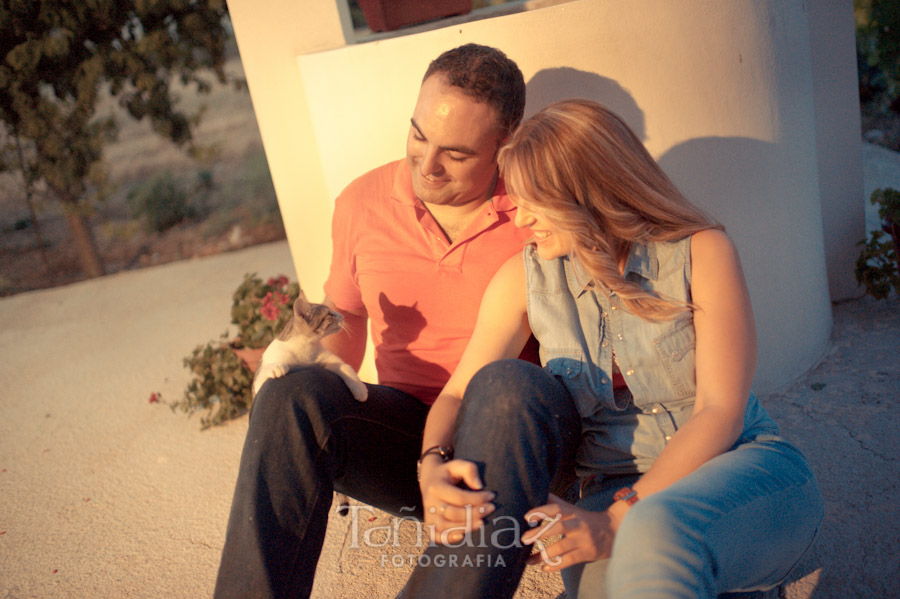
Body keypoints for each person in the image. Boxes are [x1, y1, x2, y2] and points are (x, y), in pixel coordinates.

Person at [402, 99, 824, 599]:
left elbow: (721, 411)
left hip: (735, 469)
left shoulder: (702, 252)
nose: (521, 220)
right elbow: (457, 394)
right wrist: (430, 463)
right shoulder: (523, 278)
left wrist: (620, 520)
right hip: (606, 493)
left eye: (534, 202)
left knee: (654, 530)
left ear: (584, 192)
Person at [213, 44, 533, 598]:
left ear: (504, 145)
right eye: (418, 135)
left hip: (506, 436)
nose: (426, 166)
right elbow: (345, 312)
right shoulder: (363, 201)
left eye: (455, 154)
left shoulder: (537, 205)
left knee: (505, 403)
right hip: (408, 437)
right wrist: (295, 353)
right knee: (292, 397)